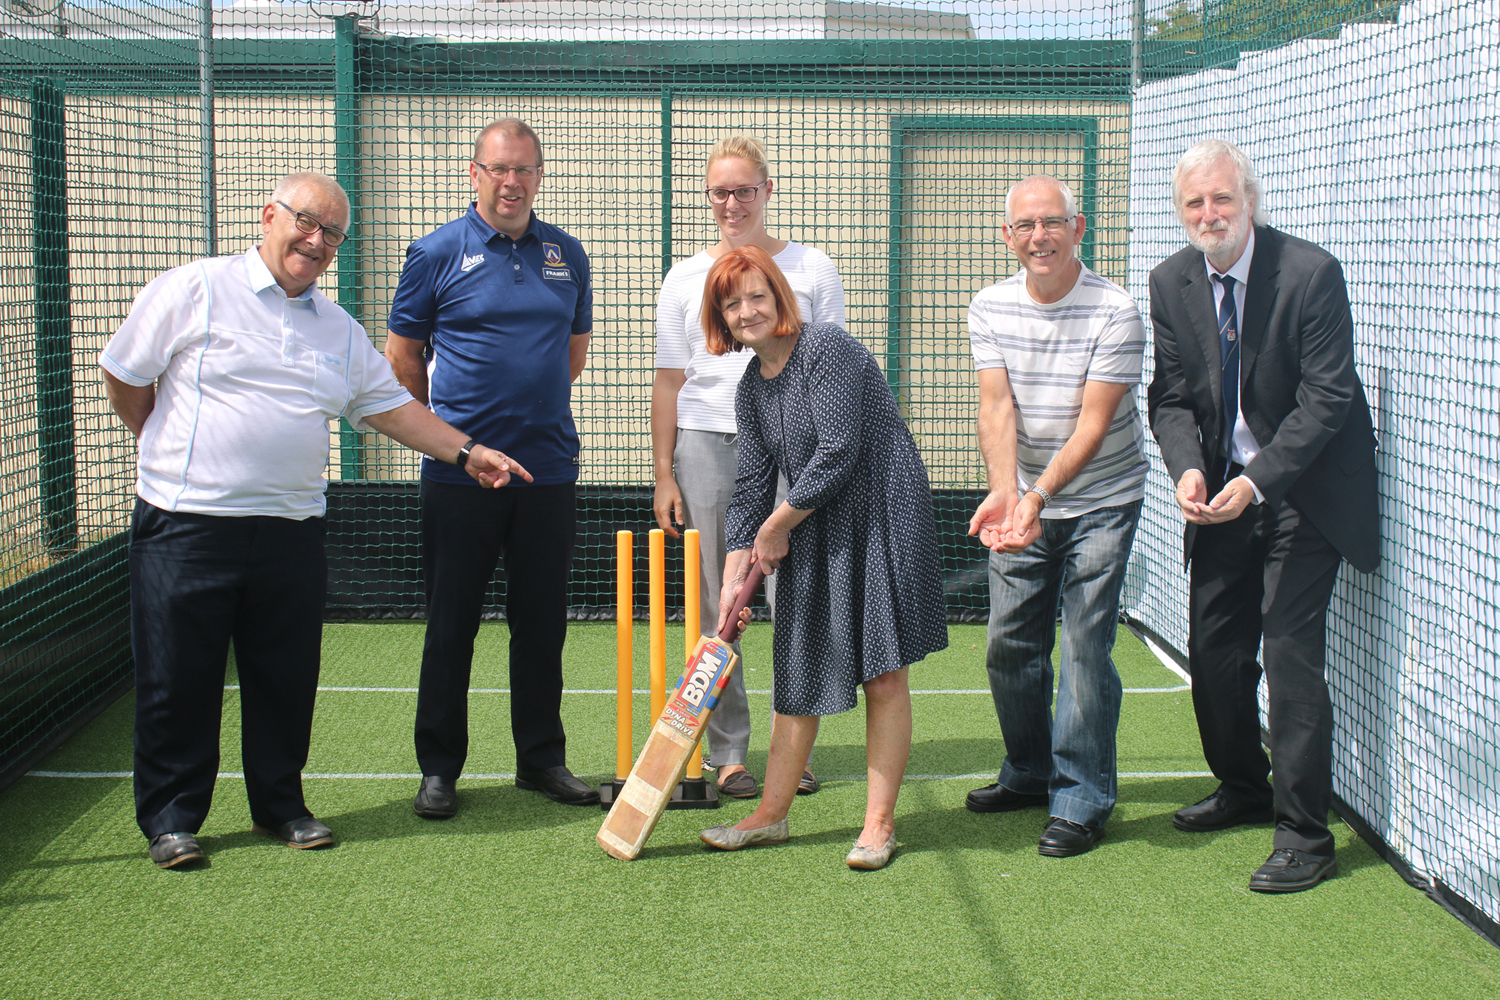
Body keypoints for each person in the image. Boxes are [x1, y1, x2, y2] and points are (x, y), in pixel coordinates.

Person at [100, 172, 529, 870]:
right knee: (178, 678)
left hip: (292, 529)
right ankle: (173, 819)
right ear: (267, 215)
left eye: (332, 233)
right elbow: (124, 372)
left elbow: (390, 406)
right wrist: (157, 438)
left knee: (285, 677)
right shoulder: (194, 288)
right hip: (186, 525)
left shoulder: (337, 328)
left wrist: (467, 452)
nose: (316, 240)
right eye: (306, 221)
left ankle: (281, 807)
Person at [1146, 139, 1379, 892]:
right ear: (1181, 213)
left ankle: (1305, 835)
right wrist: (1188, 468)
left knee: (1287, 653)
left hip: (1303, 494)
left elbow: (1328, 399)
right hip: (1220, 496)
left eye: (1221, 199)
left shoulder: (1310, 273)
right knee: (1213, 653)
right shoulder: (1171, 280)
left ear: (1250, 199)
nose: (1209, 215)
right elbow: (1173, 397)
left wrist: (1258, 481)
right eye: (1194, 204)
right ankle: (1245, 787)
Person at [694, 246, 947, 871]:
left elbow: (838, 451)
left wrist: (775, 529)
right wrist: (734, 567)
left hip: (879, 512)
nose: (747, 310)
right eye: (732, 303)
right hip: (813, 516)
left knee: (883, 670)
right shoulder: (752, 386)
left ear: (780, 298)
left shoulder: (826, 349)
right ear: (721, 320)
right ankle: (770, 816)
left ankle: (878, 825)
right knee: (799, 657)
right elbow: (753, 482)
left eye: (758, 295)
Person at [385, 118, 598, 816]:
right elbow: (402, 357)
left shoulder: (567, 254)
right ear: (474, 174)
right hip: (461, 475)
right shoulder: (434, 252)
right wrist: (448, 440)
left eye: (525, 170)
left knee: (542, 625)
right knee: (453, 624)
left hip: (547, 474)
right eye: (499, 169)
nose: (512, 183)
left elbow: (572, 353)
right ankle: (439, 768)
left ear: (540, 176)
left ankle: (541, 760)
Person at [652, 135, 846, 800]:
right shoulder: (684, 276)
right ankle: (728, 755)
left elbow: (832, 367)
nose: (732, 203)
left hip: (793, 454)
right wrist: (664, 474)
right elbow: (670, 380)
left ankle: (792, 750)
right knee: (717, 605)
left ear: (768, 190)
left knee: (790, 602)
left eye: (744, 189)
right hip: (707, 447)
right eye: (720, 192)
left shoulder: (813, 268)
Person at [964, 175, 1149, 858]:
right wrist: (1005, 496)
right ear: (1007, 237)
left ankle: (1080, 798)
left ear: (1079, 228)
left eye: (1053, 222)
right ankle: (1030, 771)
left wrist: (1036, 499)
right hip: (1026, 499)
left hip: (1102, 498)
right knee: (1009, 645)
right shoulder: (988, 306)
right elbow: (997, 407)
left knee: (1084, 646)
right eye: (1025, 226)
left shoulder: (1116, 309)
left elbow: (1094, 423)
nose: (1039, 236)